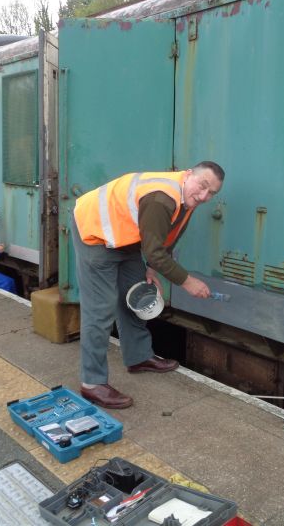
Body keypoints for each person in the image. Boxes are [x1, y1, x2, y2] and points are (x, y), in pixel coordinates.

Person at [71, 161, 225, 409]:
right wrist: (187, 281)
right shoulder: (162, 198)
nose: (205, 196)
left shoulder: (187, 198)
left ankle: (138, 357)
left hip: (125, 238)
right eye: (203, 186)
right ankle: (92, 383)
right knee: (100, 309)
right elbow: (154, 252)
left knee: (137, 295)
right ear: (187, 175)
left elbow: (168, 237)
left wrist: (152, 270)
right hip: (96, 233)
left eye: (212, 193)